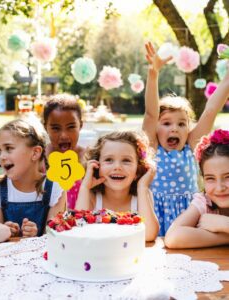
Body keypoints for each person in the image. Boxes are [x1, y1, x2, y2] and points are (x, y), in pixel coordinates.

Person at [143, 42, 229, 236]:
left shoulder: (191, 147)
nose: (174, 128)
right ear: (156, 127)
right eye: (166, 123)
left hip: (190, 219)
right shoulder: (153, 148)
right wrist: (153, 72)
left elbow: (210, 111)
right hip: (156, 220)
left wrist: (227, 79)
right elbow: (150, 113)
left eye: (182, 124)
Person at [0, 119, 66, 237]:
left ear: (35, 153)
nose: (1, 156)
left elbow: (53, 238)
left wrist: (35, 235)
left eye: (9, 148)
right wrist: (5, 233)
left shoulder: (55, 189)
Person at [75, 131, 159, 242]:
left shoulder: (142, 195)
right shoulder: (92, 196)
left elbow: (148, 235)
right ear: (96, 165)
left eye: (126, 160)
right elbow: (78, 230)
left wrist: (142, 187)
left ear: (138, 171)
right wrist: (85, 187)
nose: (117, 167)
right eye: (109, 160)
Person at [165, 129, 229, 248]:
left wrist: (224, 224)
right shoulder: (204, 202)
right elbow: (173, 238)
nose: (220, 188)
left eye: (228, 176)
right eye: (210, 178)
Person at [43, 94, 85, 209]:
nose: (64, 135)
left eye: (71, 127)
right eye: (56, 128)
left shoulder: (87, 158)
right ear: (45, 127)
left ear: (80, 125)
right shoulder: (39, 158)